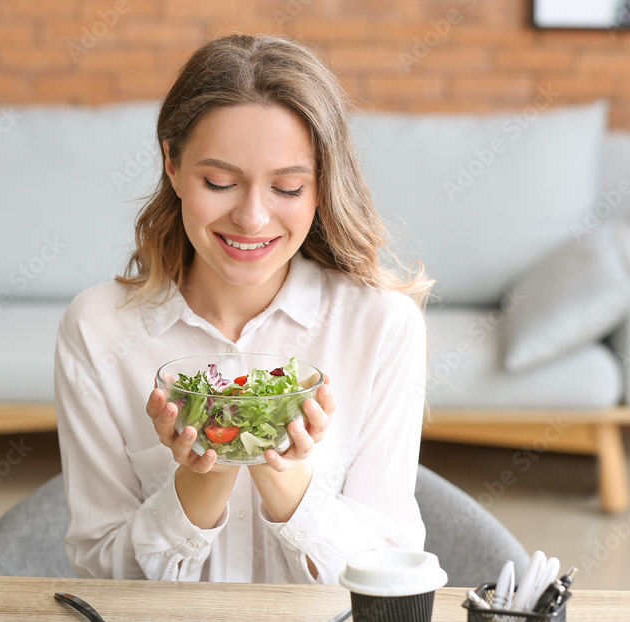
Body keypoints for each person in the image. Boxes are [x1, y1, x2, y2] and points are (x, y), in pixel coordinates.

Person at [54, 33, 433, 584]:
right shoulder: (96, 328)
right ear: (173, 165)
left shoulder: (382, 327)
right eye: (220, 182)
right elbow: (98, 573)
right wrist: (202, 478)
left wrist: (286, 478)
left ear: (322, 187)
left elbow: (389, 572)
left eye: (287, 188)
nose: (252, 218)